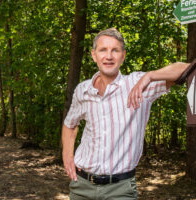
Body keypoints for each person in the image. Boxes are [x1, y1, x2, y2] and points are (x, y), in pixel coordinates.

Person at [62, 28, 189, 200]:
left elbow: (187, 68)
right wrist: (67, 155)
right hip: (81, 187)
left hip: (120, 190)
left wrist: (150, 76)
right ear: (94, 55)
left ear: (123, 55)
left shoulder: (138, 84)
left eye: (115, 50)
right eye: (103, 50)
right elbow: (70, 124)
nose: (109, 56)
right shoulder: (83, 90)